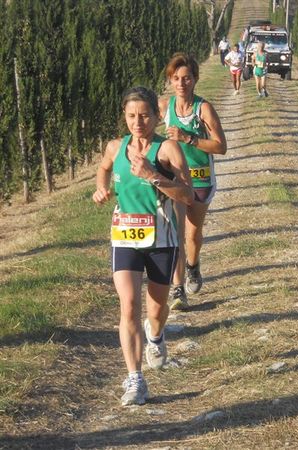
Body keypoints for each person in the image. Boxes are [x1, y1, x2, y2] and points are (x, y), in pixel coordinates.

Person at [92, 86, 194, 406]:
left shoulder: (169, 151)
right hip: (125, 236)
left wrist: (154, 176)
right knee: (129, 306)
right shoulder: (114, 147)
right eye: (131, 116)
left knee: (156, 309)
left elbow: (188, 195)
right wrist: (101, 189)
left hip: (162, 239)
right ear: (124, 116)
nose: (138, 122)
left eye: (145, 115)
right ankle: (135, 379)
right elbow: (104, 169)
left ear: (156, 116)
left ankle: (156, 335)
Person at [159, 53, 227, 310]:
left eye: (186, 78)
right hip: (176, 178)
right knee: (175, 233)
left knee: (192, 233)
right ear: (170, 81)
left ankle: (193, 266)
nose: (181, 83)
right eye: (175, 78)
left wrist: (188, 138)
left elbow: (221, 147)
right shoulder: (165, 108)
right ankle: (178, 290)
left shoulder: (204, 109)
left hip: (200, 178)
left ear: (195, 80)